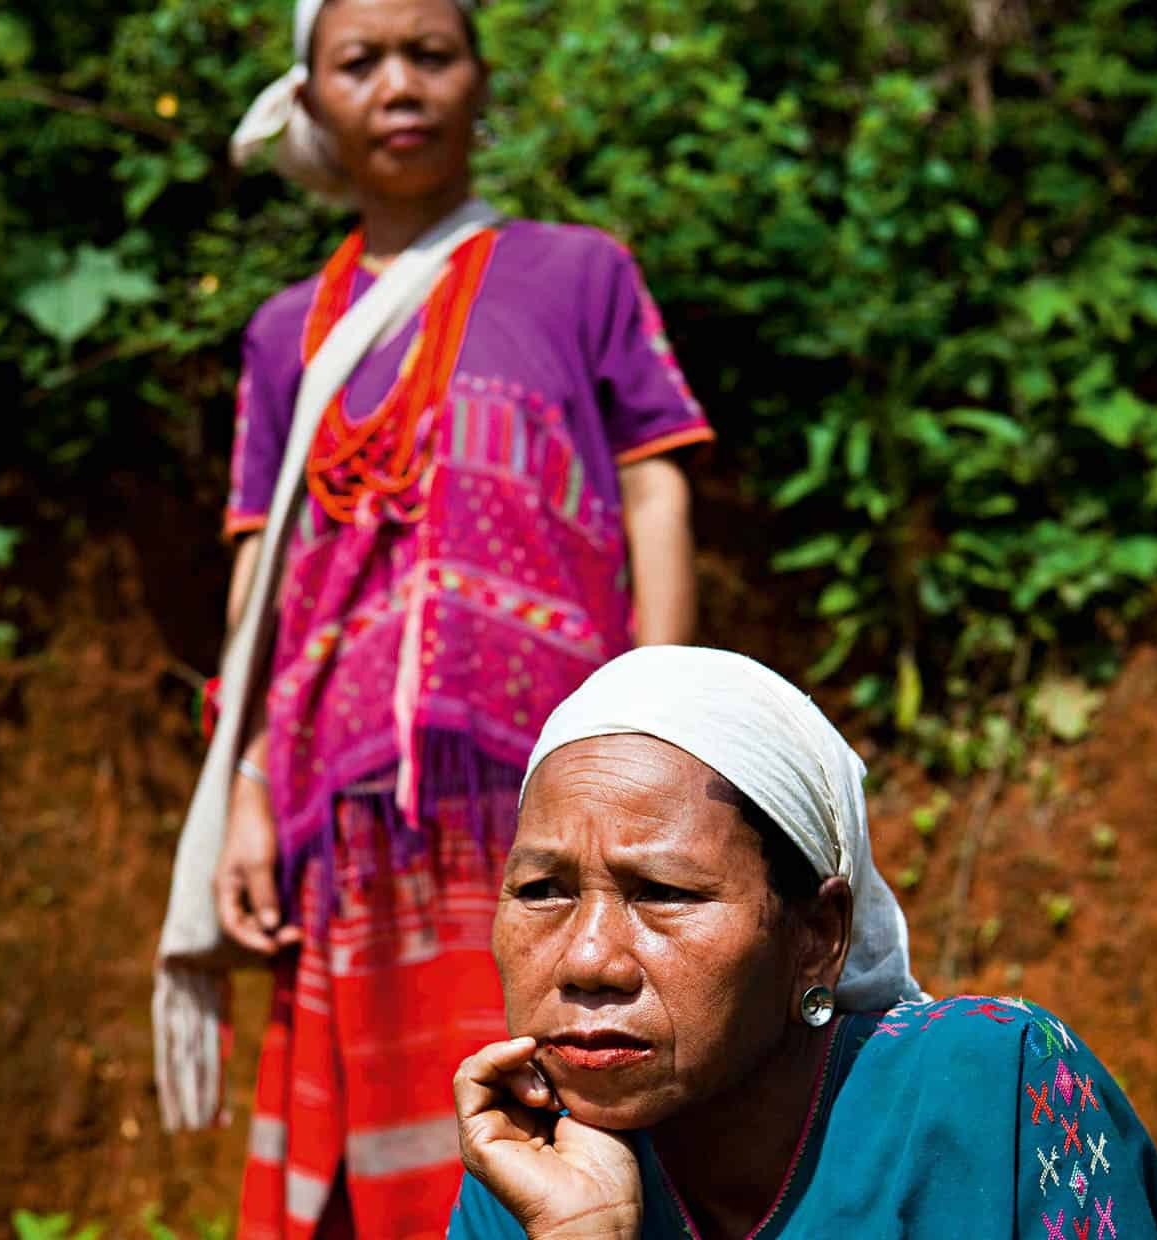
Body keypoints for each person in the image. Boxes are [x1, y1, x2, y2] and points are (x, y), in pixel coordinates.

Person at [195, 0, 712, 1234]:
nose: (399, 84)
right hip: (348, 808)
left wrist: (667, 723)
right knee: (374, 1172)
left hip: (548, 793)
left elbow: (652, 481)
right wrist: (250, 787)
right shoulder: (284, 335)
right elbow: (261, 572)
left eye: (430, 53)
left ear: (482, 81)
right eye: (359, 62)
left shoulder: (580, 270)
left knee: (579, 1091)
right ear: (313, 99)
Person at [450, 646, 1157, 1240]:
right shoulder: (527, 1166)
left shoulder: (986, 1094)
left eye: (664, 894)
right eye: (543, 891)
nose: (587, 960)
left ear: (817, 937)